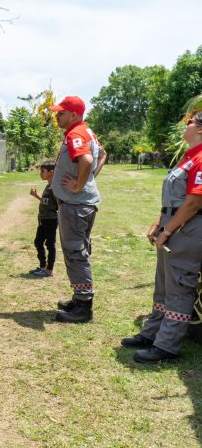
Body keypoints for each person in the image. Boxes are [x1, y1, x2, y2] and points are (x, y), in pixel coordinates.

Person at [121, 111, 202, 363]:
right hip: (173, 223)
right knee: (163, 285)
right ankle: (153, 332)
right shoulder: (188, 157)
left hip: (187, 228)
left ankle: (167, 346)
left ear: (200, 129)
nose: (184, 125)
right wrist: (159, 222)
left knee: (179, 286)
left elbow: (194, 202)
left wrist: (168, 230)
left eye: (188, 122)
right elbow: (173, 199)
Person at [49, 96, 107, 323]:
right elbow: (102, 155)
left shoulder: (76, 134)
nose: (57, 116)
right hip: (82, 203)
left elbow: (85, 158)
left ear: (73, 115)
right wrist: (90, 178)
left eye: (61, 113)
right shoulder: (87, 132)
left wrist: (81, 183)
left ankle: (84, 307)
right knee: (77, 251)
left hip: (76, 205)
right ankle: (79, 296)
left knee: (75, 252)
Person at [29, 161, 58, 278]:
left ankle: (49, 270)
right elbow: (47, 202)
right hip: (43, 220)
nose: (40, 173)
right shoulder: (48, 185)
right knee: (38, 242)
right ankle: (42, 267)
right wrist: (37, 197)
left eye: (42, 171)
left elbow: (59, 205)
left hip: (50, 220)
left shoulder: (55, 187)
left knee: (50, 244)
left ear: (51, 172)